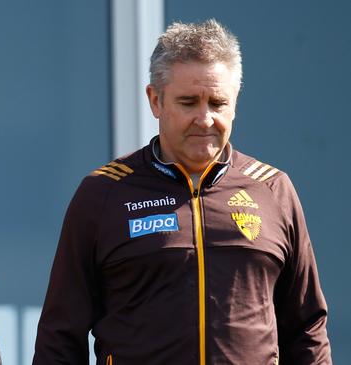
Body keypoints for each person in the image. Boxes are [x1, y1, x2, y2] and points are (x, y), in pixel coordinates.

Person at [33, 19, 331, 364]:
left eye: (217, 103)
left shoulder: (272, 189)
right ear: (155, 100)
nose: (204, 119)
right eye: (189, 103)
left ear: (234, 103)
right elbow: (59, 337)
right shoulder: (103, 193)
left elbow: (307, 328)